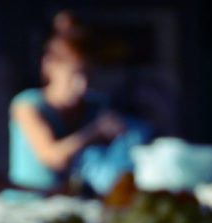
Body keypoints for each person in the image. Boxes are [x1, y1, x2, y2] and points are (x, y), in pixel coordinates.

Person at [9, 11, 126, 192]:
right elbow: (52, 157)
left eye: (88, 75)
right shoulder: (27, 105)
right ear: (49, 66)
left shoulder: (96, 105)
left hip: (77, 205)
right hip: (29, 206)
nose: (82, 86)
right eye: (74, 75)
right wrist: (93, 134)